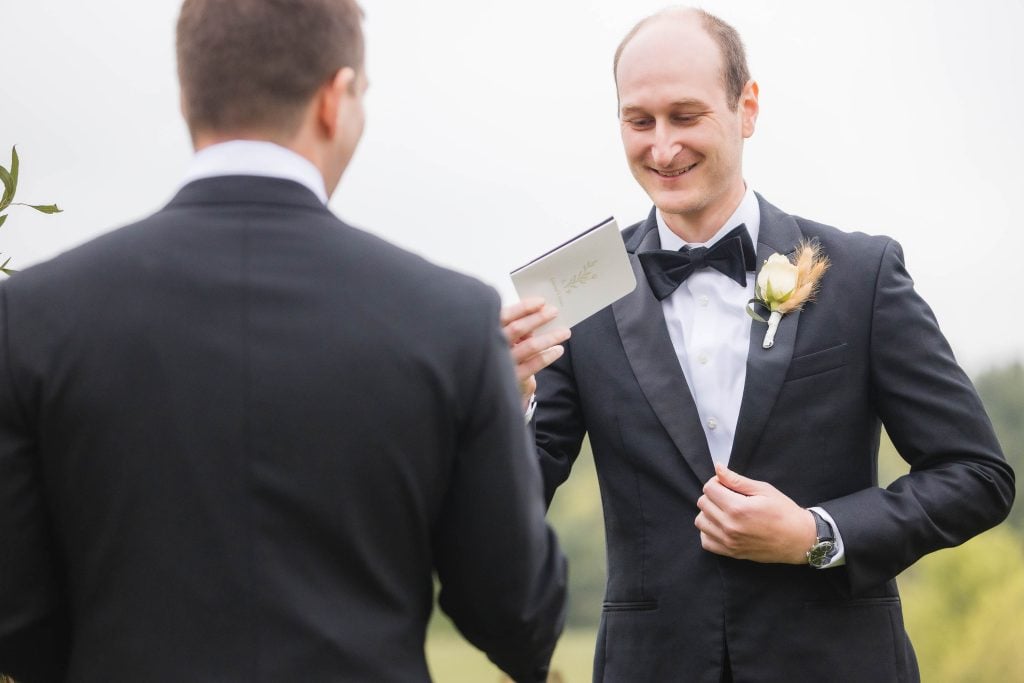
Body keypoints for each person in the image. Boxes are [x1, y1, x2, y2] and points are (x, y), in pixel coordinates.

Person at [0, 1, 566, 681]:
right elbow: (519, 617)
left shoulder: (31, 316)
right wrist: (494, 414)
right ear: (335, 99)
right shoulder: (450, 321)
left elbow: (16, 619)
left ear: (187, 94)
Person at [503, 7, 1014, 681]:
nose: (660, 148)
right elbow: (512, 501)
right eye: (639, 120)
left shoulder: (863, 273)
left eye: (685, 117)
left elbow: (977, 476)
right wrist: (502, 405)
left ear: (747, 107)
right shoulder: (578, 290)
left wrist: (816, 533)